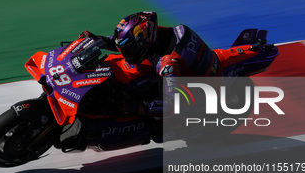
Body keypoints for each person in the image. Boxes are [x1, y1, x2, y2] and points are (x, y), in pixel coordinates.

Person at [77, 11, 221, 119]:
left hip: (190, 89)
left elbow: (171, 106)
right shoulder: (155, 34)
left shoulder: (166, 65)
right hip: (182, 67)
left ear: (144, 41)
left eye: (129, 50)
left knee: (135, 100)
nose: (126, 54)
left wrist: (141, 107)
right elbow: (125, 43)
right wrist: (98, 40)